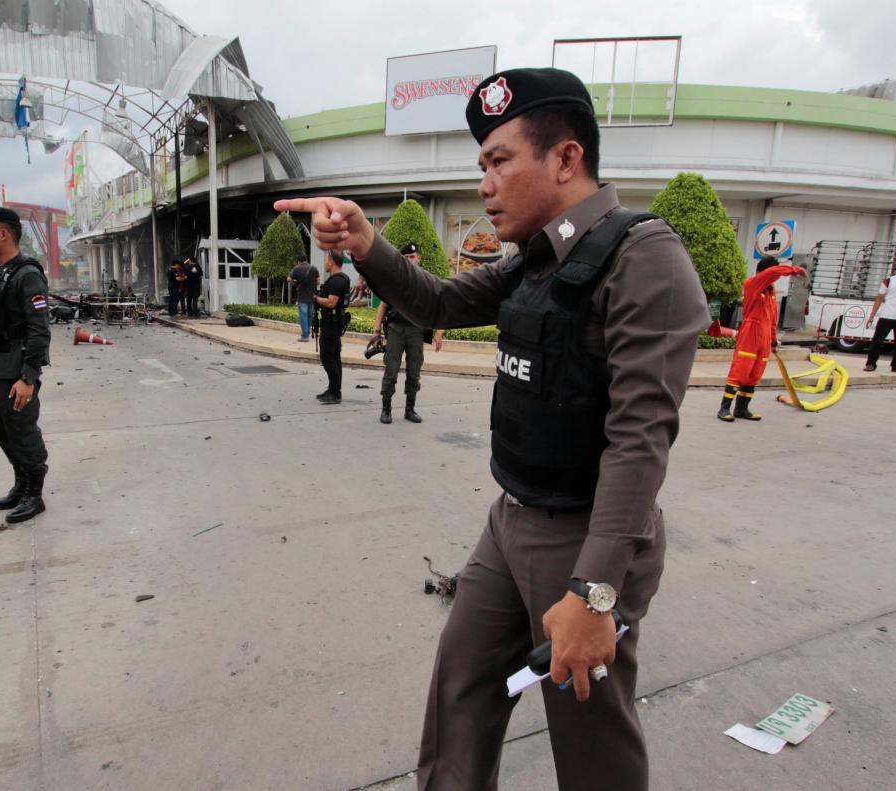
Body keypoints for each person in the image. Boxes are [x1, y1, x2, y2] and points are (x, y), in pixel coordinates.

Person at [276, 67, 708, 791]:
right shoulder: (535, 260)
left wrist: (595, 589)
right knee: (462, 692)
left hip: (585, 537)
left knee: (591, 743)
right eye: (482, 164)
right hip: (510, 520)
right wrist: (364, 242)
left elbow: (641, 438)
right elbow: (440, 303)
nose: (484, 182)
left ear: (566, 159)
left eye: (499, 160)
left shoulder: (644, 258)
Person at [0, 204, 52, 524]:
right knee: (4, 432)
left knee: (22, 432)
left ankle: (35, 493)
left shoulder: (27, 274)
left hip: (15, 369)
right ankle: (20, 486)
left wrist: (29, 376)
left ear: (3, 234)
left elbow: (39, 329)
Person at [717, 256, 808, 421]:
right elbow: (772, 272)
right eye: (773, 273)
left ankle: (742, 409)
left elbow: (772, 318)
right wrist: (794, 270)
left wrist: (773, 340)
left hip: (765, 335)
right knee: (740, 370)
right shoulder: (753, 283)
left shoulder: (771, 290)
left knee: (755, 373)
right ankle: (724, 409)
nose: (776, 277)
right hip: (751, 333)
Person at [371, 243, 443, 424]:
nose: (411, 260)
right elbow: (383, 305)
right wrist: (376, 331)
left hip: (416, 332)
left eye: (413, 257)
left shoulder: (427, 280)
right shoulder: (395, 280)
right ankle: (386, 408)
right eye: (407, 257)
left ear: (419, 258)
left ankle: (410, 409)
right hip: (396, 330)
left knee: (414, 372)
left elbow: (438, 306)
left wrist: (439, 332)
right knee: (391, 371)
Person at [313, 250, 350, 405]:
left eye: (326, 260)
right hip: (334, 321)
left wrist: (314, 298)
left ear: (331, 261)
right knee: (334, 357)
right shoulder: (341, 279)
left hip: (332, 323)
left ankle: (335, 393)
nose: (324, 263)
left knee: (327, 356)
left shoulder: (337, 281)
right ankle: (334, 389)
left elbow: (331, 302)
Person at [286, 254, 320, 342]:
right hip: (312, 296)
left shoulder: (297, 268)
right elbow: (319, 282)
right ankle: (307, 333)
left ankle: (305, 336)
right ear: (306, 260)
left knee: (303, 316)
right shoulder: (313, 268)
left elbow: (289, 279)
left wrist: (295, 282)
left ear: (298, 261)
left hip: (302, 296)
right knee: (309, 316)